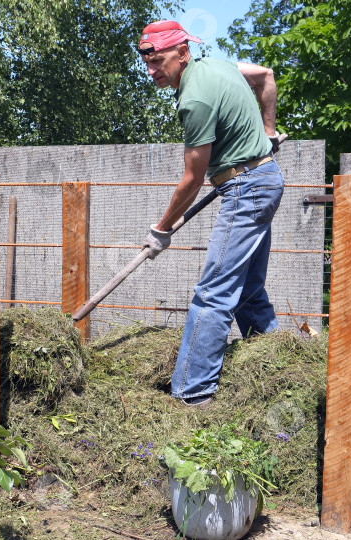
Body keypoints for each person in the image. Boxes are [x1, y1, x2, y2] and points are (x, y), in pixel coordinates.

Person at [138, 20, 287, 406]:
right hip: (263, 179)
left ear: (182, 52)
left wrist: (161, 229)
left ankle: (192, 393)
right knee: (247, 290)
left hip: (246, 188)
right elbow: (266, 76)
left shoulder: (195, 100)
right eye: (147, 63)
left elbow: (193, 177)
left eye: (158, 61)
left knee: (213, 293)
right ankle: (280, 370)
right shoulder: (220, 65)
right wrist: (268, 133)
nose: (151, 71)